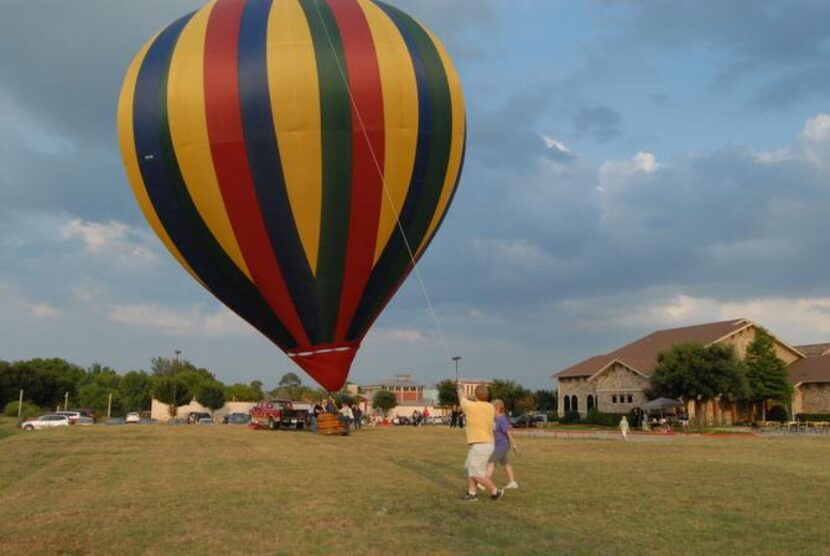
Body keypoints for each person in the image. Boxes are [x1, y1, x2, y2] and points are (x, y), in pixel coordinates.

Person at [457, 384, 503, 501]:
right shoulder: (490, 407)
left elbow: (461, 398)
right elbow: (476, 399)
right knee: (471, 469)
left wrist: (460, 388)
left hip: (480, 444)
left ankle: (495, 491)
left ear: (476, 395)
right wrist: (474, 395)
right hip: (486, 443)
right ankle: (472, 493)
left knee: (477, 473)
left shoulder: (471, 406)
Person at [485, 399, 518, 489]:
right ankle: (512, 482)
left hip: (502, 446)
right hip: (496, 445)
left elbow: (508, 433)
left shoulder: (502, 419)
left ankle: (484, 481)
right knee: (505, 463)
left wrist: (514, 445)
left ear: (498, 408)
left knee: (491, 461)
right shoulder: (494, 419)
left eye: (492, 409)